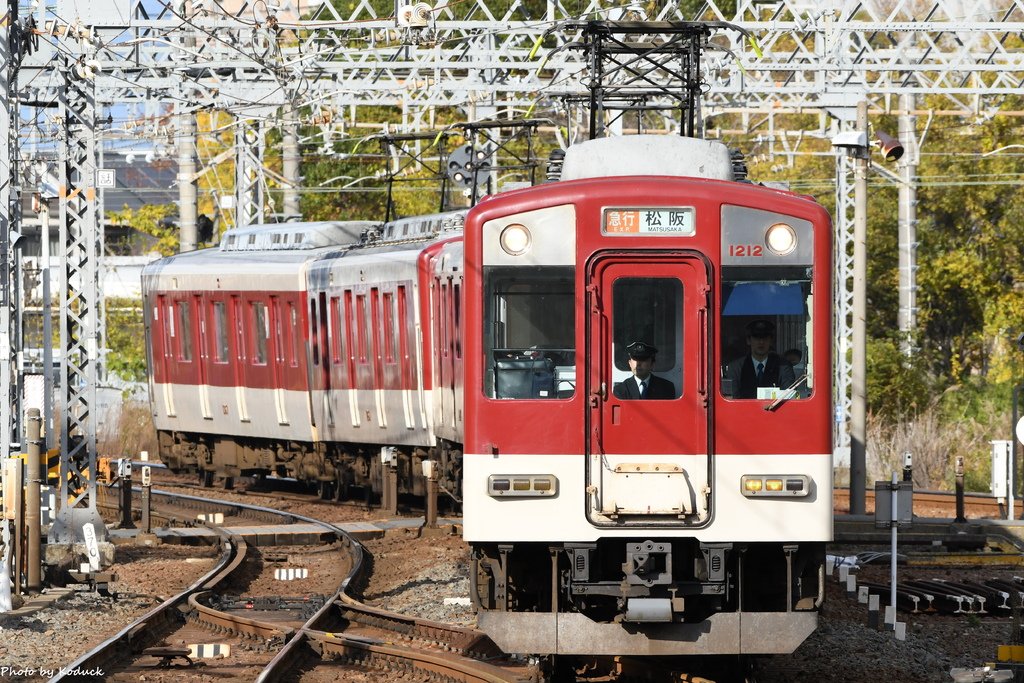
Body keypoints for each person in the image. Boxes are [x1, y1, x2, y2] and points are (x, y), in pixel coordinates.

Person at [723, 320, 795, 399]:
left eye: (765, 338)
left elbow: (789, 398)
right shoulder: (736, 368)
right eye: (756, 337)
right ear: (748, 340)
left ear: (771, 341)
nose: (761, 342)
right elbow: (733, 400)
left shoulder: (783, 367)